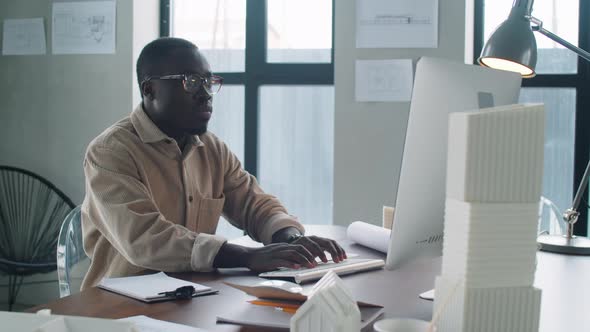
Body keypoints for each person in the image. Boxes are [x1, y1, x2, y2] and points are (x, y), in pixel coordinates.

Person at [80, 37, 346, 290]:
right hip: (119, 305)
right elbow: (145, 239)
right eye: (191, 82)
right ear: (149, 89)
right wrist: (248, 257)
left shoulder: (211, 148)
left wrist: (292, 242)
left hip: (191, 293)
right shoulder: (110, 152)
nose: (206, 94)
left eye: (209, 81)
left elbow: (254, 204)